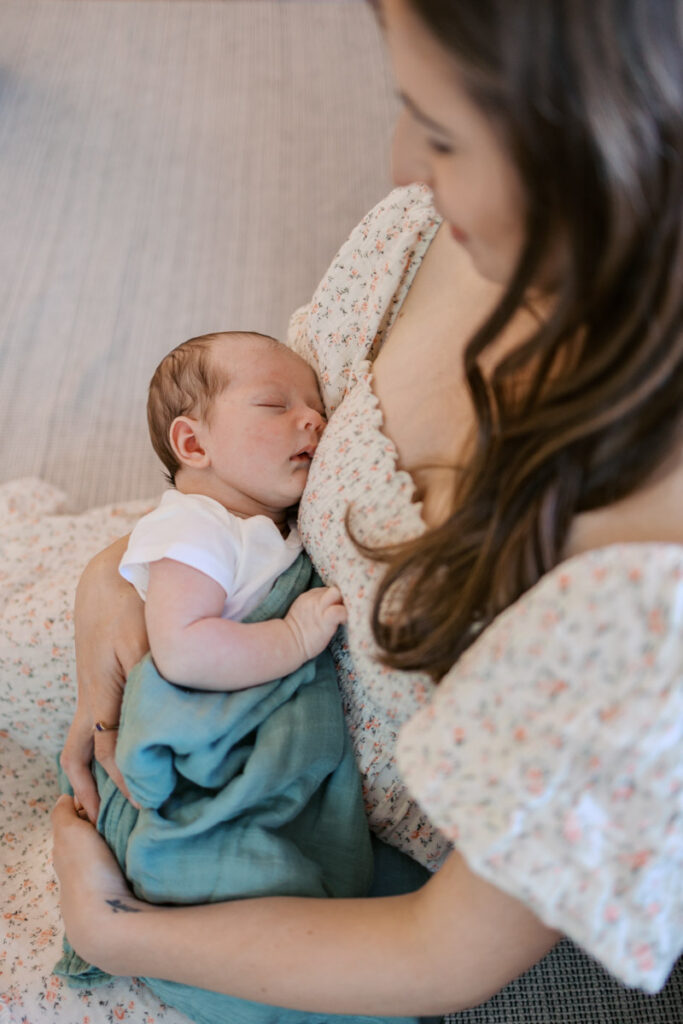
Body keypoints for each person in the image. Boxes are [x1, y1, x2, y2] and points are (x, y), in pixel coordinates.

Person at [53, 0, 683, 1018]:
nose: (398, 165)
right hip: (234, 644)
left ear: (603, 142)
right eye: (406, 106)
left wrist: (112, 931)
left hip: (344, 873)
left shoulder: (647, 594)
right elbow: (272, 466)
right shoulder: (430, 235)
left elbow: (436, 951)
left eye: (438, 131)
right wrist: (111, 582)